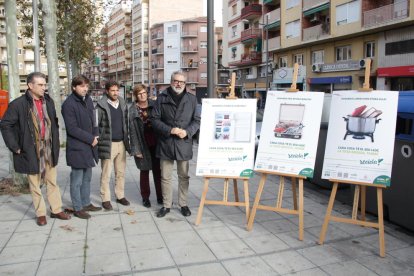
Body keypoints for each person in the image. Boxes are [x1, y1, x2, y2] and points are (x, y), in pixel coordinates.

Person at [0, 72, 71, 226]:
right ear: (30, 86)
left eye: (44, 84)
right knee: (35, 182)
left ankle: (56, 209)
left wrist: (56, 141)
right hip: (30, 148)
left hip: (48, 148)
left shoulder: (48, 101)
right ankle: (40, 213)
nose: (43, 87)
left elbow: (54, 122)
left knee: (52, 181)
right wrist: (14, 146)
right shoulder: (18, 104)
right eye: (40, 85)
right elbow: (5, 125)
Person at [151, 71, 200, 217]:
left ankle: (183, 204)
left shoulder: (192, 99)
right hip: (166, 142)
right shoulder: (161, 98)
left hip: (183, 142)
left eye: (181, 81)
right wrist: (170, 130)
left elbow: (197, 120)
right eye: (175, 81)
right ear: (171, 81)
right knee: (165, 176)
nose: (178, 84)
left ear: (185, 84)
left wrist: (187, 132)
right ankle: (166, 205)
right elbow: (154, 119)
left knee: (183, 176)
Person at [62, 75, 102, 219]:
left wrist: (96, 135)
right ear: (74, 87)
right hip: (78, 147)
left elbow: (94, 120)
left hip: (90, 145)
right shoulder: (68, 104)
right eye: (81, 86)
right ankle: (77, 207)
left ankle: (86, 203)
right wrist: (91, 138)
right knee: (77, 180)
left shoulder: (89, 100)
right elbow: (72, 129)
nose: (85, 88)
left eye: (86, 85)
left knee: (87, 178)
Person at [96, 81, 130, 210]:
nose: (116, 93)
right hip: (108, 144)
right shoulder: (100, 106)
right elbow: (96, 125)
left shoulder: (123, 103)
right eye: (113, 91)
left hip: (121, 143)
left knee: (120, 172)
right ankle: (105, 198)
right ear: (107, 91)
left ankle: (120, 195)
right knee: (106, 173)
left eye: (117, 90)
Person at [129, 84, 162, 208]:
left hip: (156, 142)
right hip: (142, 143)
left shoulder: (154, 105)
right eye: (139, 94)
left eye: (144, 93)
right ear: (136, 96)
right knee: (144, 171)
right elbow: (131, 130)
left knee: (158, 171)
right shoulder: (133, 110)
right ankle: (145, 197)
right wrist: (136, 149)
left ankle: (160, 196)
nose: (142, 95)